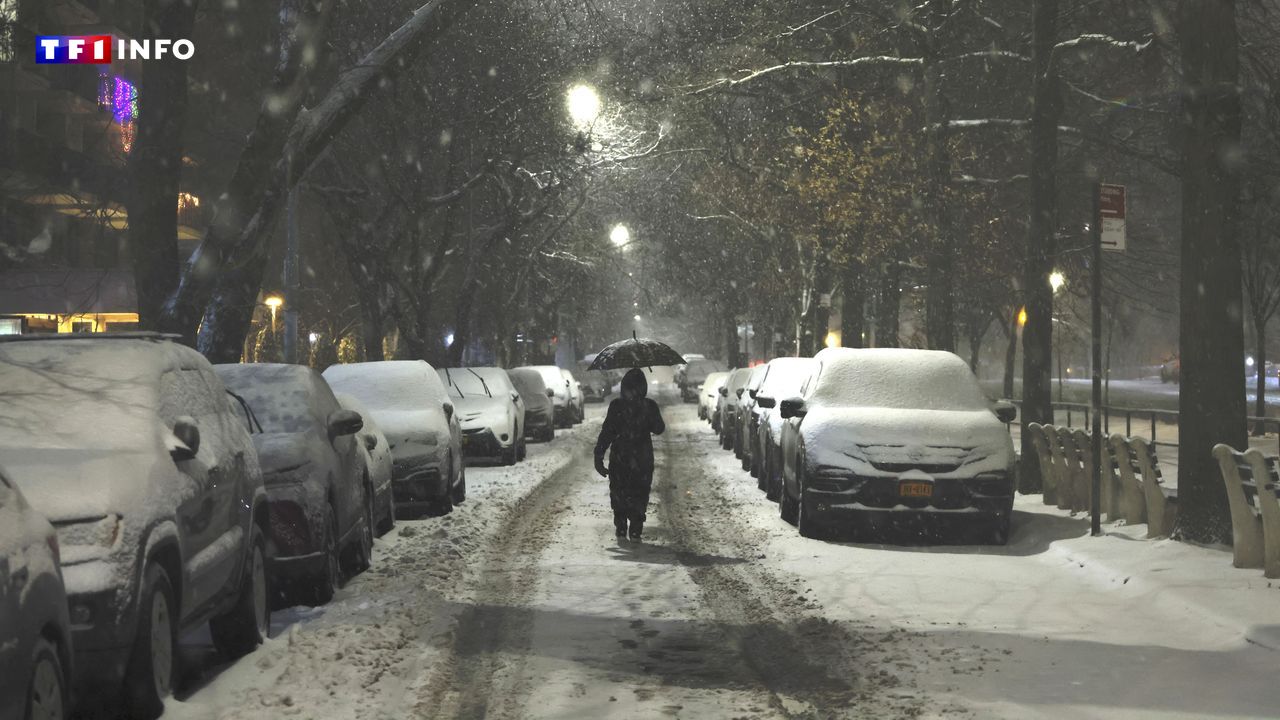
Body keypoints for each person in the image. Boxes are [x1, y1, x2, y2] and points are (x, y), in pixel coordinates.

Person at [594, 368, 666, 540]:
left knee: (619, 491)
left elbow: (607, 432)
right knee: (639, 493)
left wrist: (599, 455)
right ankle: (635, 525)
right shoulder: (648, 406)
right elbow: (659, 428)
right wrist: (647, 416)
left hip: (621, 457)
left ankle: (621, 524)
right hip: (642, 459)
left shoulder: (617, 406)